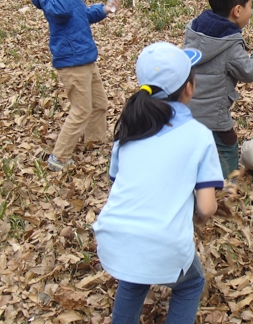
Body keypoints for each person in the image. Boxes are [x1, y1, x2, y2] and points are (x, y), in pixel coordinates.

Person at [93, 42, 224, 324]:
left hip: (113, 237)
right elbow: (208, 207)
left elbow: (119, 180)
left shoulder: (129, 131)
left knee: (133, 277)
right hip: (164, 243)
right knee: (191, 283)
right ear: (190, 88)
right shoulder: (199, 135)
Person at [26, 0, 120, 171]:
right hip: (71, 60)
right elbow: (61, 12)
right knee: (81, 110)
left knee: (99, 103)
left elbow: (81, 15)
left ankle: (96, 142)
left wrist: (105, 8)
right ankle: (59, 158)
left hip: (86, 55)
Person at [183, 0, 253, 178]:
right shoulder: (229, 44)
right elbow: (250, 71)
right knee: (227, 146)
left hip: (186, 108)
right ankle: (225, 186)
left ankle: (193, 177)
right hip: (214, 115)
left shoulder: (195, 29)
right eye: (250, 6)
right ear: (237, 10)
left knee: (194, 146)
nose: (251, 11)